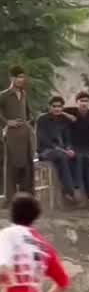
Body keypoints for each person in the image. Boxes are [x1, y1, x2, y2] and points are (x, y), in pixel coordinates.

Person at [36, 96, 79, 203]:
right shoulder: (42, 119)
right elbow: (44, 140)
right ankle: (69, 191)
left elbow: (67, 138)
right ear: (49, 107)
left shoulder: (64, 120)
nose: (57, 109)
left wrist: (69, 149)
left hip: (62, 150)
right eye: (54, 106)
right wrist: (63, 150)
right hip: (46, 150)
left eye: (59, 106)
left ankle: (77, 187)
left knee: (77, 156)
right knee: (61, 156)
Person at [0, 66, 34, 197]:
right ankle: (10, 198)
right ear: (11, 78)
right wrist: (7, 122)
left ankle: (26, 197)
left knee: (26, 166)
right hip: (11, 135)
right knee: (11, 167)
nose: (21, 80)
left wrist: (29, 122)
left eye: (22, 77)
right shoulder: (4, 95)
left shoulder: (24, 94)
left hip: (25, 135)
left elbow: (28, 113)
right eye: (18, 77)